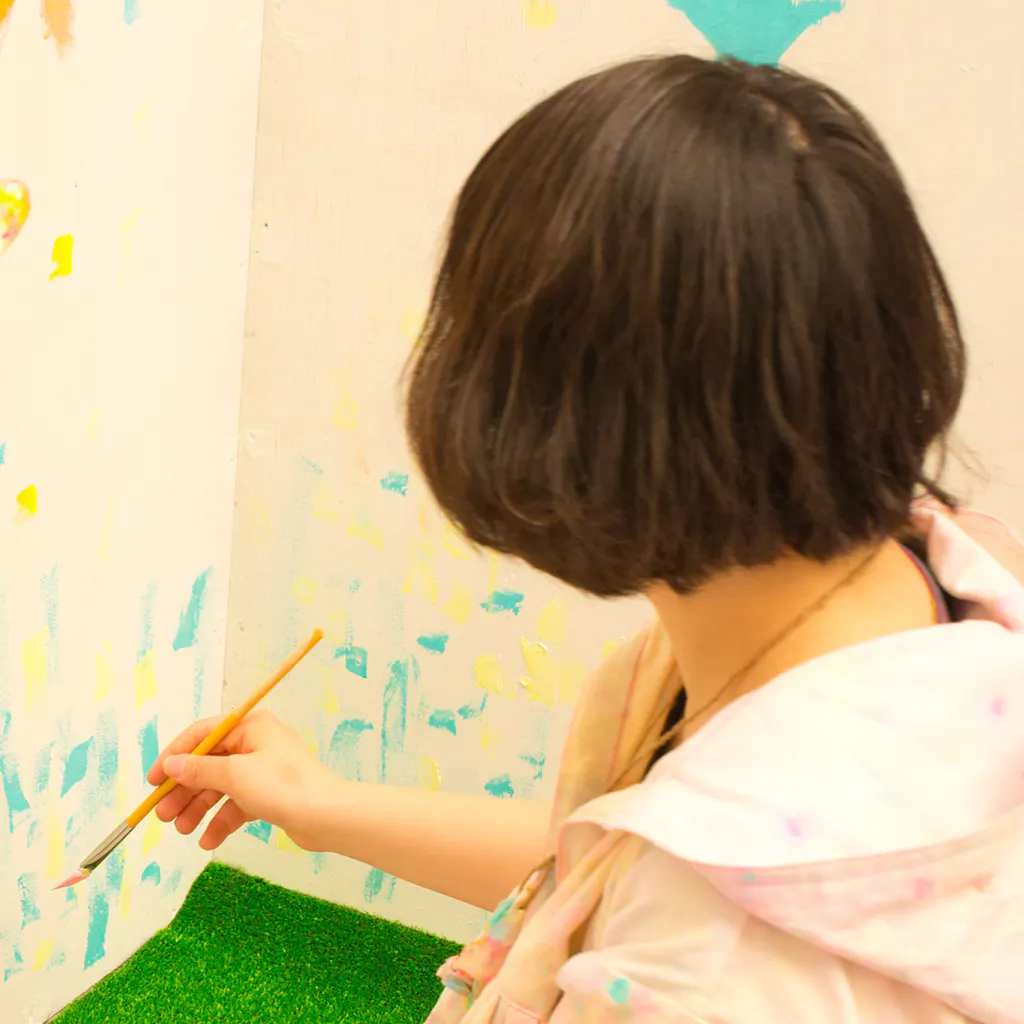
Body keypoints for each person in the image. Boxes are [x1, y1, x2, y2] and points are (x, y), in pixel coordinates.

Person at [149, 56, 1024, 1022]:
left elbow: (681, 906)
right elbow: (613, 863)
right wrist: (324, 807)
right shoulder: (928, 584)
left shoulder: (709, 973)